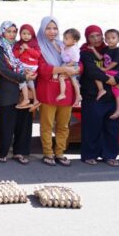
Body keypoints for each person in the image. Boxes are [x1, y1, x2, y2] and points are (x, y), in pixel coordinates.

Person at [35, 16, 80, 167]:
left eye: (55, 28)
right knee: (47, 125)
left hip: (66, 91)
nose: (52, 31)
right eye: (48, 28)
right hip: (47, 91)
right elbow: (41, 69)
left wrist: (76, 69)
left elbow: (78, 64)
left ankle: (60, 152)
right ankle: (48, 153)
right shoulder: (38, 47)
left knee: (63, 125)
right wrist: (63, 69)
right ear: (42, 29)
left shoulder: (64, 45)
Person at [78, 24, 119, 166]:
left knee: (111, 129)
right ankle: (89, 155)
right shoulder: (85, 52)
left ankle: (109, 155)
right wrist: (110, 80)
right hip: (93, 96)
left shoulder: (110, 49)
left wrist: (118, 79)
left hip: (112, 96)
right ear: (87, 38)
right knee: (92, 127)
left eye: (98, 35)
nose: (96, 39)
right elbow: (91, 71)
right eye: (92, 36)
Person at [0, 21, 35, 164]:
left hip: (24, 90)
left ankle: (20, 152)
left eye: (14, 31)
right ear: (3, 32)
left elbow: (29, 61)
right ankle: (3, 152)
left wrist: (28, 72)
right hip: (7, 90)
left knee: (24, 123)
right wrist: (22, 77)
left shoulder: (19, 46)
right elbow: (2, 70)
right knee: (7, 123)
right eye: (9, 31)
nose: (12, 34)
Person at [86, 29, 119, 119]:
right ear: (105, 39)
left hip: (114, 71)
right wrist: (93, 49)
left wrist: (105, 69)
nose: (110, 40)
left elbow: (115, 62)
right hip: (108, 71)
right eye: (108, 38)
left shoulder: (118, 51)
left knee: (116, 90)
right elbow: (100, 57)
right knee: (116, 91)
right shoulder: (106, 49)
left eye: (113, 38)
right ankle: (102, 90)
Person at [14, 24, 40, 109]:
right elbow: (14, 55)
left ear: (32, 35)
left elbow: (37, 55)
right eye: (24, 33)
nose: (26, 36)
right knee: (30, 81)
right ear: (20, 34)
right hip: (26, 66)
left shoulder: (35, 44)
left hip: (30, 66)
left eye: (29, 34)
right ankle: (36, 99)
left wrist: (28, 49)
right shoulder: (18, 44)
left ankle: (26, 99)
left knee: (21, 79)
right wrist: (21, 51)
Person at [56, 28, 82, 102]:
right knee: (61, 78)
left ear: (74, 41)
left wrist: (66, 67)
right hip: (67, 64)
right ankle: (62, 93)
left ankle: (78, 95)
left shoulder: (73, 49)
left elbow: (75, 60)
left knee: (74, 80)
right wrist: (54, 44)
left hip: (72, 65)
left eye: (66, 39)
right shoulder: (65, 45)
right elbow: (60, 51)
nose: (64, 40)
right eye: (64, 38)